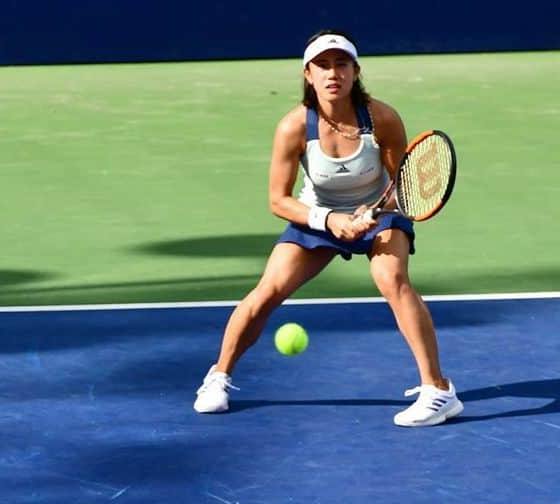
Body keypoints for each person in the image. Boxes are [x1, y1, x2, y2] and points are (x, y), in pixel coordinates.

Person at [193, 30, 463, 427]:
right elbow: (278, 200)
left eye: (341, 64)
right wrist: (331, 220)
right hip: (318, 215)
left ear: (356, 71)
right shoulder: (294, 127)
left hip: (380, 210)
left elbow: (403, 186)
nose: (332, 73)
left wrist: (370, 212)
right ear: (308, 74)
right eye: (322, 65)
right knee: (268, 291)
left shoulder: (382, 118)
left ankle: (438, 390)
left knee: (391, 276)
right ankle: (218, 377)